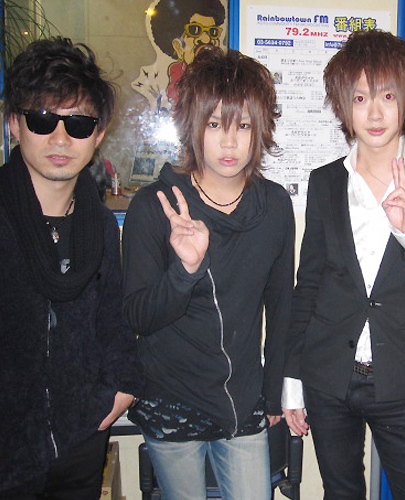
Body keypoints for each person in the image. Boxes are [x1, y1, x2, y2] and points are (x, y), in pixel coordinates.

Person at [282, 29, 405, 500]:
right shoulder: (326, 181)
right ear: (342, 106)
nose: (373, 113)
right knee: (341, 493)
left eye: (387, 96)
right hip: (328, 376)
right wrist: (293, 379)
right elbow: (308, 285)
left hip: (402, 380)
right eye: (360, 97)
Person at [0, 38, 141, 499]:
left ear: (98, 135)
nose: (60, 139)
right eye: (42, 119)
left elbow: (114, 322)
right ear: (15, 124)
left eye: (78, 124)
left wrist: (121, 388)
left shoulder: (100, 225)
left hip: (79, 447)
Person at [122, 47, 294, 500]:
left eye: (244, 126)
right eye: (215, 124)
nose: (230, 142)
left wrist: (274, 391)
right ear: (193, 126)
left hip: (243, 399)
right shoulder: (155, 206)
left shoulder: (275, 205)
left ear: (261, 129)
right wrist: (185, 270)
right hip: (171, 396)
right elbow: (138, 316)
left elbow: (282, 307)